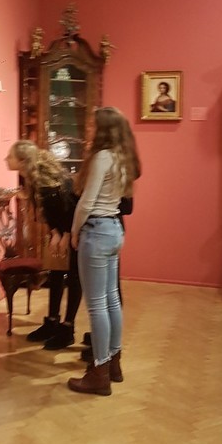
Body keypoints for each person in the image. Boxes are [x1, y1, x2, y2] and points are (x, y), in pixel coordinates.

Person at [68, 107, 141, 396]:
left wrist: (74, 231)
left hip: (96, 231)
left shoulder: (101, 157)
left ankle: (99, 372)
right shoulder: (123, 157)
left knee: (97, 305)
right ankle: (113, 363)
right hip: (114, 230)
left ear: (103, 129)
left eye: (92, 125)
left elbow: (86, 202)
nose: (88, 129)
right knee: (111, 300)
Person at [5, 140, 81, 350]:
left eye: (10, 156)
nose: (6, 159)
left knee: (74, 277)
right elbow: (49, 212)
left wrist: (65, 235)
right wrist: (55, 232)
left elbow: (69, 210)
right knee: (55, 273)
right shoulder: (35, 178)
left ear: (22, 160)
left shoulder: (47, 183)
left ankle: (68, 329)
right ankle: (52, 322)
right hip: (63, 228)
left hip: (77, 230)